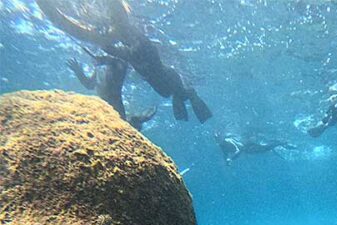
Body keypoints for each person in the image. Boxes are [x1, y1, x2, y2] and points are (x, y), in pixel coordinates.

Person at [37, 0, 212, 123]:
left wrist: (105, 46)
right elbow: (119, 53)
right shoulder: (135, 46)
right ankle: (188, 97)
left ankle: (190, 96)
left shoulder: (140, 46)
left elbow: (122, 52)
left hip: (165, 80)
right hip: (163, 81)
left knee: (178, 93)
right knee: (175, 93)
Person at [67, 52, 157, 131]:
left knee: (122, 124)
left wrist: (104, 60)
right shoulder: (100, 68)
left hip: (114, 104)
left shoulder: (119, 64)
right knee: (120, 124)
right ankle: (136, 120)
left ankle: (136, 120)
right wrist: (78, 71)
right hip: (103, 107)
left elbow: (120, 62)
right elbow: (89, 85)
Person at [215, 132, 296, 165]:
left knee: (266, 148)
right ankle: (281, 143)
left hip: (249, 147)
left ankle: (283, 143)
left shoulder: (228, 140)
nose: (218, 140)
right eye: (216, 139)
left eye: (218, 138)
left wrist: (231, 159)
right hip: (248, 150)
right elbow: (225, 154)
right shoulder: (222, 145)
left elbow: (238, 150)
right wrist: (226, 160)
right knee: (266, 148)